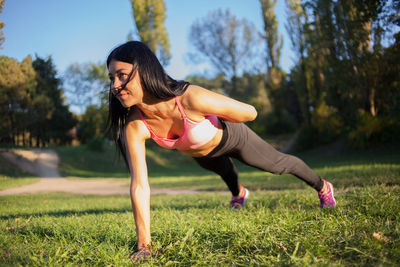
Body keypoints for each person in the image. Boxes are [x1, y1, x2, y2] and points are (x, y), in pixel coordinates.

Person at [106, 41, 336, 261]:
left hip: (233, 136)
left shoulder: (189, 98)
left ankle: (323, 186)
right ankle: (239, 194)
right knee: (226, 173)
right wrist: (143, 246)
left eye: (122, 75)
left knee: (278, 165)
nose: (115, 85)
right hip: (201, 154)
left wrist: (220, 112)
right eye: (111, 78)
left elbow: (251, 112)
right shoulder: (136, 125)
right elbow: (139, 185)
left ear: (145, 70)